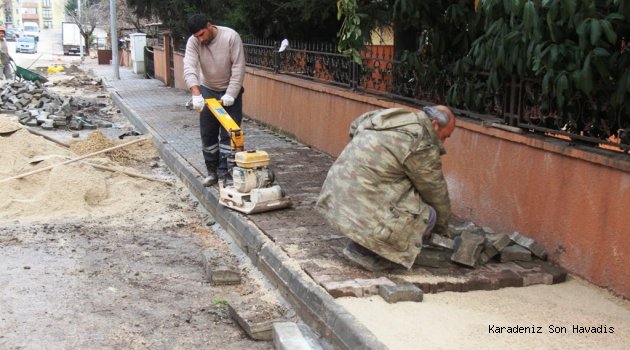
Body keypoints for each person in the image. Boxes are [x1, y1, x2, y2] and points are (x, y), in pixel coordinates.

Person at [316, 105, 456, 271]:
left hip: (336, 191)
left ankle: (362, 241)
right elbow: (435, 192)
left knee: (401, 189)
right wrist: (442, 228)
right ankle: (366, 252)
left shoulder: (391, 116)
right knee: (429, 215)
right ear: (434, 125)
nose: (444, 142)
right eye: (445, 136)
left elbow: (354, 127)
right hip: (361, 199)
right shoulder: (421, 142)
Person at [183, 14, 246, 186]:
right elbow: (189, 66)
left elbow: (238, 68)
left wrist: (231, 94)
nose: (201, 39)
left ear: (209, 25)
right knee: (208, 133)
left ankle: (226, 173)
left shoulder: (231, 37)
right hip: (208, 90)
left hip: (230, 91)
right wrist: (196, 93)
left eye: (202, 34)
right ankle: (212, 171)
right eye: (197, 37)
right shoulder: (194, 41)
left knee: (229, 135)